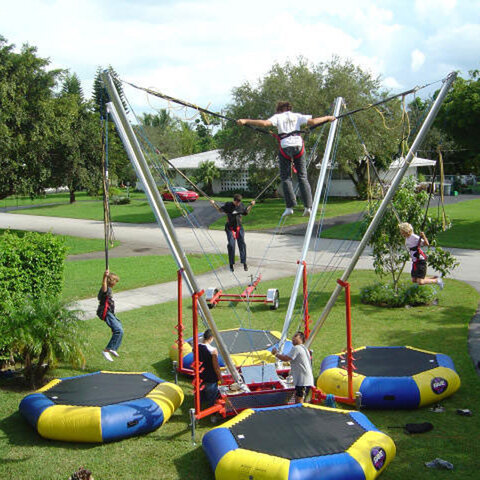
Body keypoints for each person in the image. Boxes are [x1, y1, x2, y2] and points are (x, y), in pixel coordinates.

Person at [237, 102, 335, 217]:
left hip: (285, 148)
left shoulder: (278, 117)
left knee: (286, 178)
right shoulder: (297, 116)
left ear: (279, 110)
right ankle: (308, 207)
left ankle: (289, 207)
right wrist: (328, 118)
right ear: (289, 109)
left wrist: (245, 121)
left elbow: (264, 123)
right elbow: (313, 122)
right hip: (299, 147)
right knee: (302, 177)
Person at [211, 193, 255, 272]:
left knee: (242, 244)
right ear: (234, 200)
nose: (238, 203)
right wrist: (213, 203)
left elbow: (246, 212)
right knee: (231, 244)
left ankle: (244, 263)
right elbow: (219, 210)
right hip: (230, 228)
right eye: (237, 202)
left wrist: (251, 205)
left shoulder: (241, 205)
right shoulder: (228, 205)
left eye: (239, 202)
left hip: (239, 227)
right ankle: (231, 264)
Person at [272, 331, 314, 403]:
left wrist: (276, 354)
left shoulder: (297, 348)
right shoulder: (304, 348)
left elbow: (286, 358)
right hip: (303, 380)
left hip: (303, 381)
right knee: (298, 398)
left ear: (301, 338)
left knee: (299, 399)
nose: (293, 338)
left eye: (295, 336)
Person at [398, 222, 444, 289]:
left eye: (402, 231)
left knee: (420, 282)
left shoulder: (414, 237)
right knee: (414, 280)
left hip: (420, 260)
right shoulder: (407, 238)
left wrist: (423, 236)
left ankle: (437, 281)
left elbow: (427, 244)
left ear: (406, 230)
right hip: (415, 261)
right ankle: (434, 278)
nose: (401, 233)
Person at [96, 269, 124, 361]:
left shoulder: (109, 289)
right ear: (111, 282)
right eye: (115, 281)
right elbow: (104, 285)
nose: (116, 283)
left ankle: (113, 348)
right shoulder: (105, 289)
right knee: (118, 330)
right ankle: (107, 350)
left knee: (120, 328)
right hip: (105, 312)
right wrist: (104, 277)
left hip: (110, 312)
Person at [198, 329, 223, 408]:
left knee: (201, 393)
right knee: (212, 396)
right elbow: (216, 367)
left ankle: (200, 405)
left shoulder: (197, 346)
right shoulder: (213, 350)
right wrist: (220, 378)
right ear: (211, 338)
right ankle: (212, 412)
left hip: (201, 375)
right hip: (210, 377)